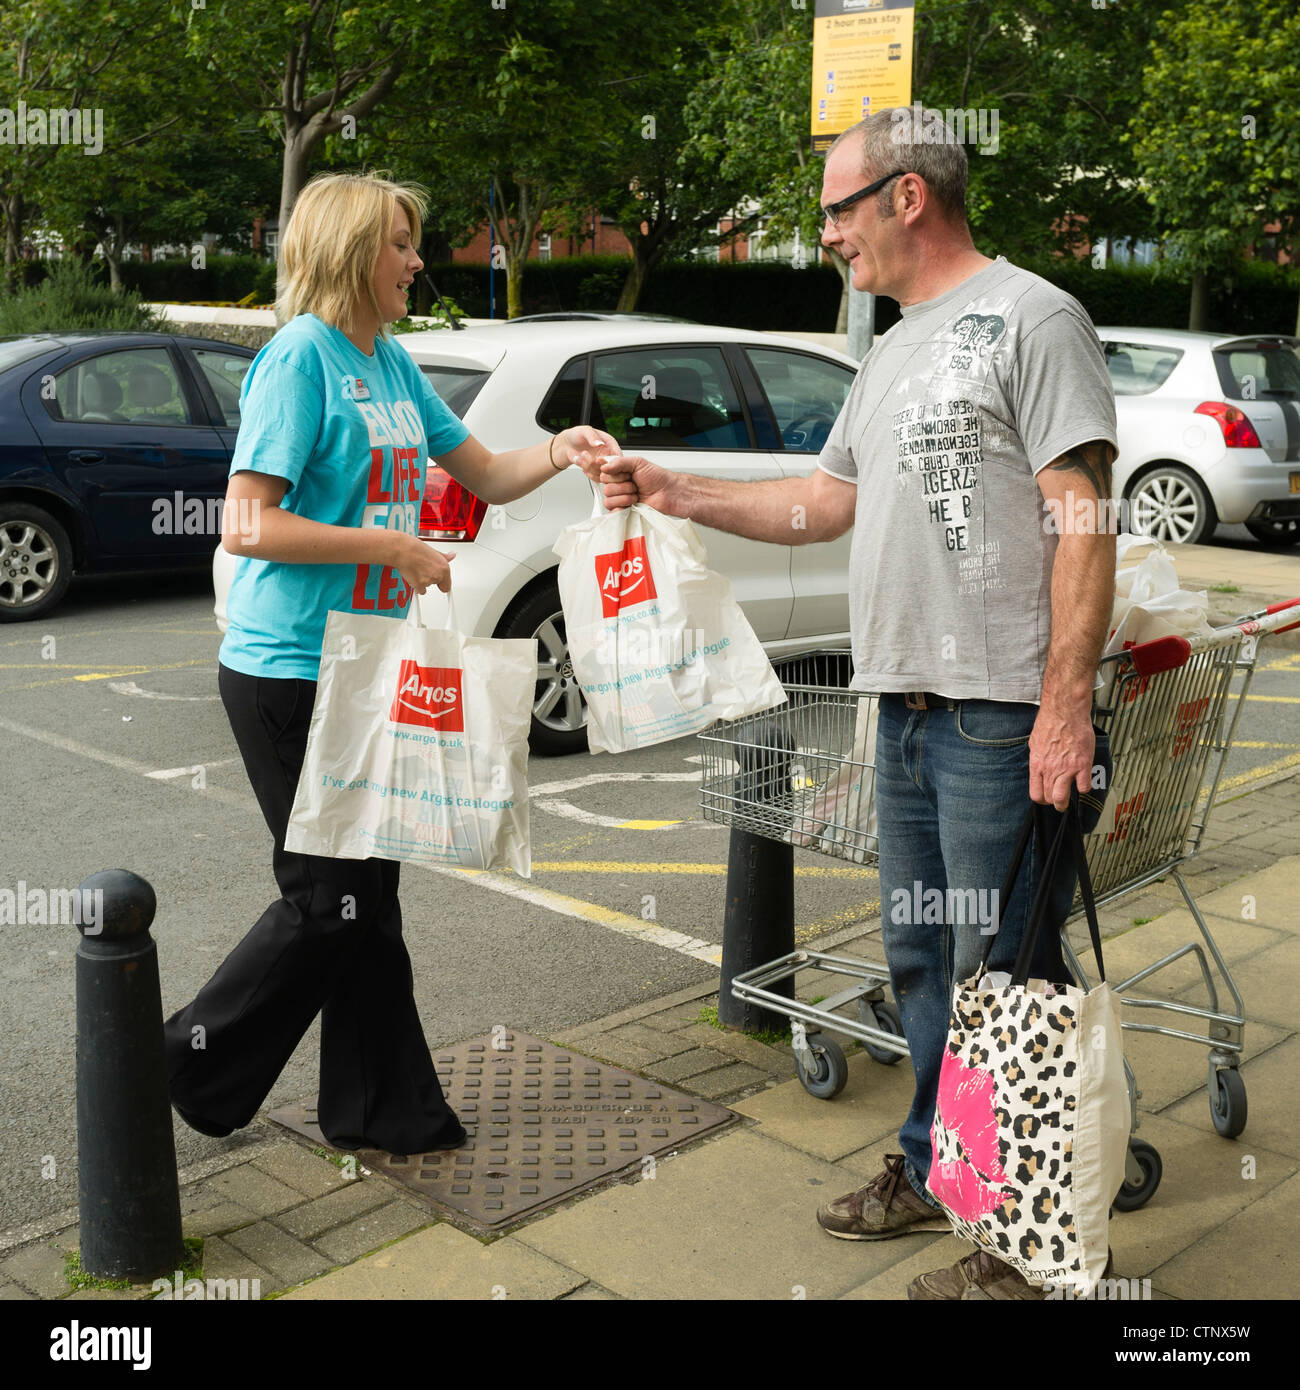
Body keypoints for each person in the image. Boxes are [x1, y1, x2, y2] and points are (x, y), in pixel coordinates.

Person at [597, 108, 1117, 1300]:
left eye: (837, 209)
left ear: (907, 197)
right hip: (906, 710)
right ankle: (937, 1166)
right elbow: (818, 506)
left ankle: (1020, 1244)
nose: (827, 233)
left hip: (997, 713)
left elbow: (1084, 511)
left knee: (1007, 977)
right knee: (922, 960)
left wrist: (1064, 707)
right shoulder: (886, 351)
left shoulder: (1033, 318)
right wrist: (672, 486)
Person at [164, 171, 619, 1155]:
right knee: (327, 898)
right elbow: (247, 521)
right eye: (402, 244)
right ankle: (182, 1061)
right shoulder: (301, 359)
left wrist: (563, 449)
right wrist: (392, 549)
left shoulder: (390, 361)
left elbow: (486, 471)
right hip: (288, 668)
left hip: (365, 664)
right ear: (350, 251)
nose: (419, 260)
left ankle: (381, 1111)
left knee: (367, 898)